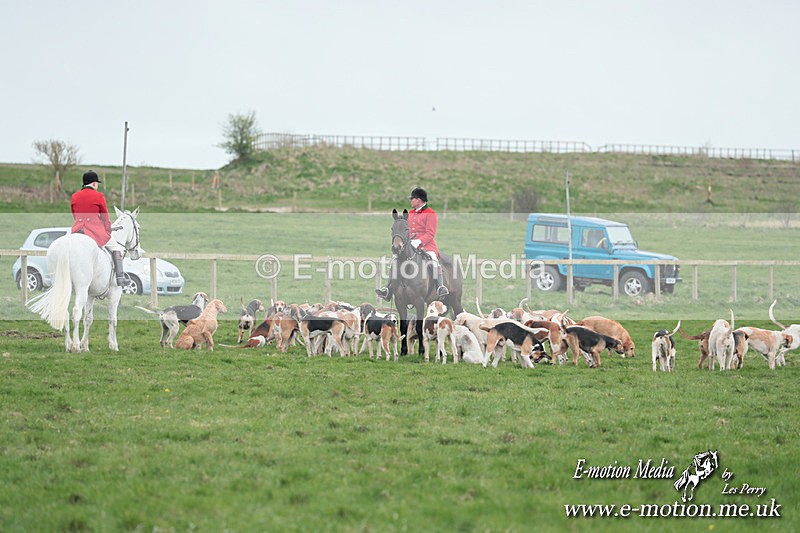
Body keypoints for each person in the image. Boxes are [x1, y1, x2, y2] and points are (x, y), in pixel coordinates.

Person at [376, 186, 449, 300]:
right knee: (395, 260)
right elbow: (405, 231)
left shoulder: (431, 213)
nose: (410, 201)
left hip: (427, 245)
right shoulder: (409, 214)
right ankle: (388, 288)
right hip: (409, 245)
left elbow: (430, 233)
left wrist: (418, 241)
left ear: (418, 200)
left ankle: (440, 286)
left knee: (434, 260)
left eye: (412, 199)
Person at [71, 170, 126, 286]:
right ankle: (120, 277)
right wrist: (107, 230)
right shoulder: (99, 196)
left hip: (77, 230)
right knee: (116, 248)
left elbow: (75, 215)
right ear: (94, 184)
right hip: (94, 231)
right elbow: (105, 217)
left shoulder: (74, 196)